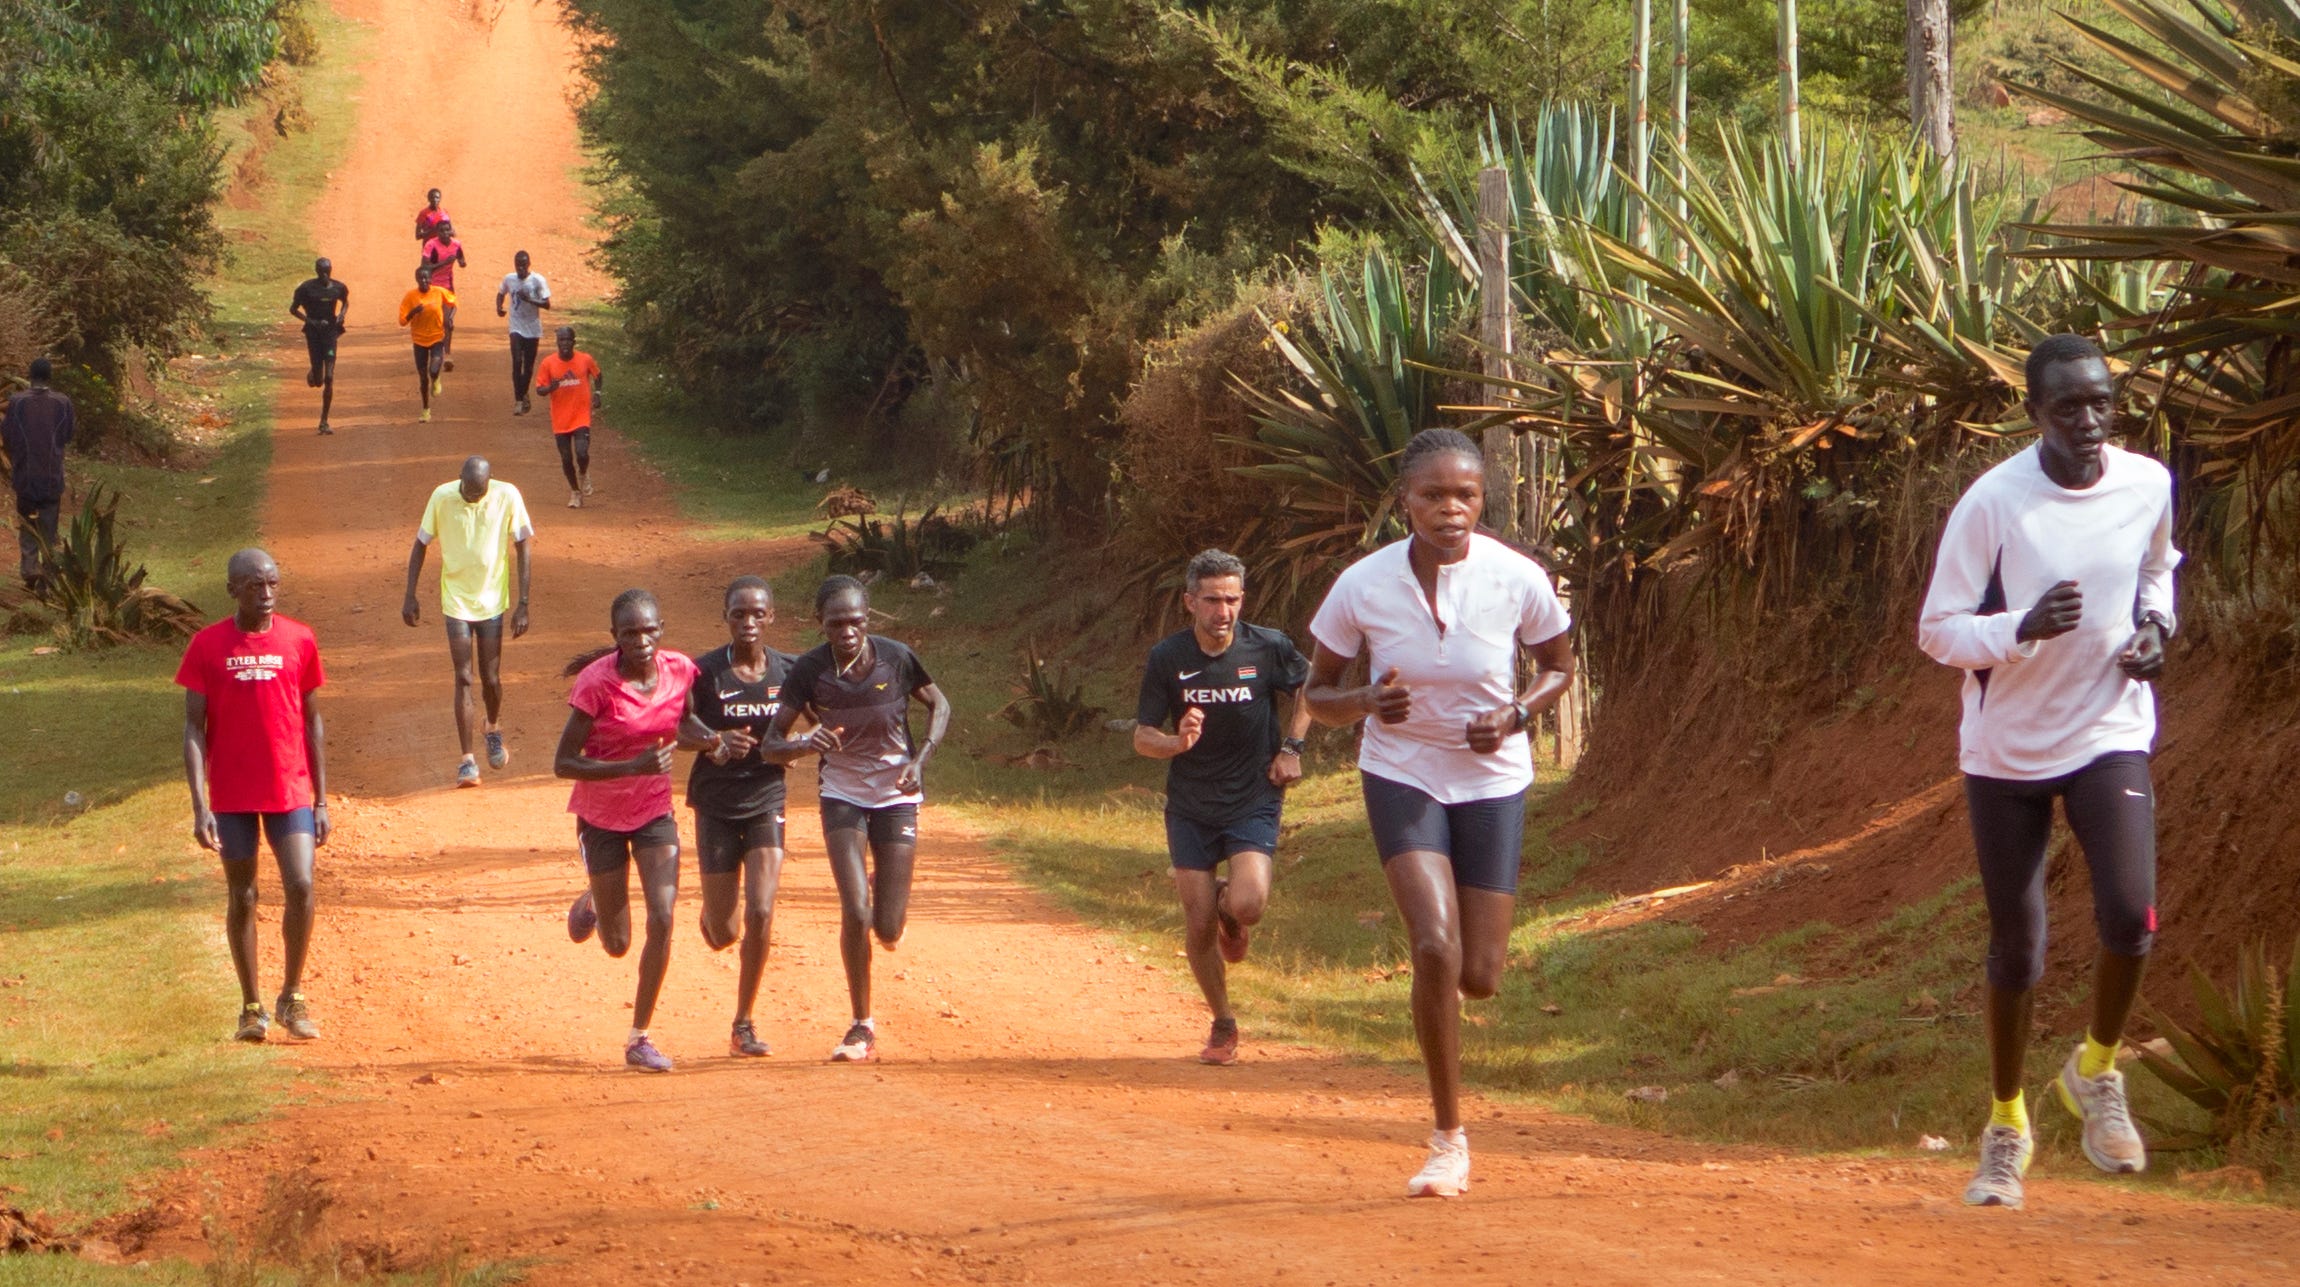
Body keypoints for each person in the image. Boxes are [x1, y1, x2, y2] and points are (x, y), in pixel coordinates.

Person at [1918, 333, 2179, 1210]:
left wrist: (2156, 628)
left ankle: (2096, 1071)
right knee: (2019, 946)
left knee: (2130, 910)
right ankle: (2005, 1124)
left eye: (2102, 401)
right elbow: (1938, 628)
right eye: (2069, 406)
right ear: (2034, 413)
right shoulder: (1995, 502)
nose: (2090, 421)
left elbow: (2156, 569)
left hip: (2110, 725)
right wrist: (2018, 627)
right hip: (2008, 751)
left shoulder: (2147, 483)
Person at [1303, 427, 1575, 1198]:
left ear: (1482, 501)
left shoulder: (1517, 576)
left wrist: (1519, 715)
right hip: (1403, 772)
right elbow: (1316, 693)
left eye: (1466, 495)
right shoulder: (1362, 583)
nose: (1451, 510)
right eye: (1434, 495)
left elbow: (1558, 664)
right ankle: (1447, 1137)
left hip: (1492, 778)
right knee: (1433, 943)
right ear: (1405, 503)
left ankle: (1445, 999)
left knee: (1479, 974)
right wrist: (1363, 701)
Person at [762, 575, 952, 1063]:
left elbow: (940, 704)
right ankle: (861, 1025)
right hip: (842, 795)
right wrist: (805, 744)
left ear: (868, 620)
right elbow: (771, 745)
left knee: (887, 927)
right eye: (836, 623)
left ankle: (881, 893)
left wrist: (920, 759)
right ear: (819, 623)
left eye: (856, 621)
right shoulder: (809, 670)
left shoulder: (896, 656)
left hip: (896, 795)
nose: (847, 631)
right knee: (855, 911)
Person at [1133, 548, 1311, 1065]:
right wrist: (1176, 743)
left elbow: (1311, 690)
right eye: (1212, 600)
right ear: (1190, 601)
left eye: (1232, 599)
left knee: (1250, 903)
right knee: (1196, 922)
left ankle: (1231, 914)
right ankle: (1223, 1022)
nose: (1223, 611)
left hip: (1252, 797)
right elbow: (1143, 737)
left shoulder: (1269, 647)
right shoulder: (1168, 657)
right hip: (1190, 804)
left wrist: (1291, 749)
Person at [553, 589, 713, 1072]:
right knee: (617, 942)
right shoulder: (595, 685)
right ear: (615, 638)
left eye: (648, 631)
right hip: (599, 817)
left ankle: (639, 1037)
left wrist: (713, 742)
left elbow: (683, 727)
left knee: (663, 916)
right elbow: (563, 762)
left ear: (661, 630)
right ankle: (593, 902)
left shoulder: (681, 671)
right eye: (629, 633)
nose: (641, 641)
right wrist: (631, 764)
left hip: (653, 812)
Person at [176, 548, 330, 1043]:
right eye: (253, 586)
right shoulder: (206, 645)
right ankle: (251, 1006)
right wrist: (200, 805)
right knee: (242, 894)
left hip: (290, 789)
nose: (265, 595)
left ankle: (291, 995)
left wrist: (321, 799)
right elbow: (193, 728)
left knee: (301, 884)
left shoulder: (299, 639)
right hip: (233, 795)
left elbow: (312, 720)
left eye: (272, 585)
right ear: (232, 590)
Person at [685, 576, 810, 1057]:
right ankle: (712, 915)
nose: (749, 622)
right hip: (715, 803)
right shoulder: (705, 673)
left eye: (758, 613)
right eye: (739, 614)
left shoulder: (790, 671)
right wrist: (714, 742)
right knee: (725, 932)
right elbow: (675, 727)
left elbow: (822, 723)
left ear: (772, 616)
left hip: (765, 798)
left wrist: (796, 747)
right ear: (726, 618)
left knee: (761, 910)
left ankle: (743, 1023)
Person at [402, 456, 534, 788]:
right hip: (456, 600)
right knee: (463, 676)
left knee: (490, 678)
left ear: (489, 483)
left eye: (480, 491)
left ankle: (492, 726)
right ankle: (467, 761)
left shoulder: (507, 496)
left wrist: (523, 604)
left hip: (491, 602)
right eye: (469, 490)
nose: (474, 496)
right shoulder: (442, 496)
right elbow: (420, 544)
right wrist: (410, 594)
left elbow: (523, 545)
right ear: (459, 478)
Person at [2, 357, 75, 591]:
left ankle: (29, 570)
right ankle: (48, 574)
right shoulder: (62, 402)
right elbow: (67, 435)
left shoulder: (17, 402)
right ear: (49, 376)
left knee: (27, 525)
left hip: (25, 475)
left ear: (30, 376)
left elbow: (9, 435)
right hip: (52, 476)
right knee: (49, 527)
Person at [532, 326, 603, 508]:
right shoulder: (548, 363)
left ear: (574, 342)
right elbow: (540, 389)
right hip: (560, 419)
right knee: (566, 458)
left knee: (581, 452)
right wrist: (551, 388)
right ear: (557, 342)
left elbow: (598, 375)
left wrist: (598, 393)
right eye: (561, 340)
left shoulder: (585, 359)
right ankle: (575, 492)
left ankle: (584, 473)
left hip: (580, 416)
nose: (564, 343)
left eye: (568, 340)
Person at [289, 258, 350, 435]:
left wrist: (341, 315)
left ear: (331, 270)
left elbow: (345, 301)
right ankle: (314, 372)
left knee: (329, 377)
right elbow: (293, 309)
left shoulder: (338, 287)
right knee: (318, 380)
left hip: (330, 334)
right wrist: (311, 321)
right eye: (321, 271)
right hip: (313, 334)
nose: (325, 274)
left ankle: (324, 421)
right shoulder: (306, 289)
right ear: (316, 271)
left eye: (327, 270)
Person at [496, 251, 552, 415]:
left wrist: (529, 299)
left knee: (528, 366)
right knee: (516, 361)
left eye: (523, 264)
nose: (520, 268)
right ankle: (518, 400)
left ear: (529, 264)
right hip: (516, 325)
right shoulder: (509, 279)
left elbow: (547, 304)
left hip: (533, 327)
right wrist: (499, 307)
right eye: (517, 264)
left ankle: (524, 392)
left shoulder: (537, 280)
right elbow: (501, 293)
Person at [398, 265, 456, 422]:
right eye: (421, 278)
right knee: (423, 378)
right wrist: (413, 312)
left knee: (433, 369)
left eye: (426, 278)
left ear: (431, 279)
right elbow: (402, 320)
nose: (424, 281)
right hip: (419, 341)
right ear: (416, 279)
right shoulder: (410, 296)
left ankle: (436, 378)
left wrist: (450, 318)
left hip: (437, 338)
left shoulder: (438, 292)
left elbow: (453, 302)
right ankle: (425, 410)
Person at [419, 219, 468, 372]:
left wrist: (461, 262)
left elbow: (461, 258)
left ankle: (447, 354)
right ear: (437, 233)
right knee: (433, 322)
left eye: (448, 231)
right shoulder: (431, 246)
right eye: (442, 231)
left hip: (447, 288)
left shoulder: (456, 244)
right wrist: (444, 263)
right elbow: (424, 268)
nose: (445, 234)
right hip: (431, 287)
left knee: (447, 322)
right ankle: (431, 353)